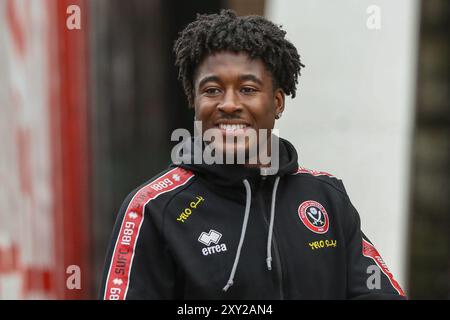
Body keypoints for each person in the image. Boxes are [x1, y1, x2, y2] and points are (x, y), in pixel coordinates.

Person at [99, 9, 406, 300]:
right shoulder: (153, 210)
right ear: (194, 101)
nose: (229, 104)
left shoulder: (326, 198)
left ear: (277, 103)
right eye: (212, 90)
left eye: (247, 89)